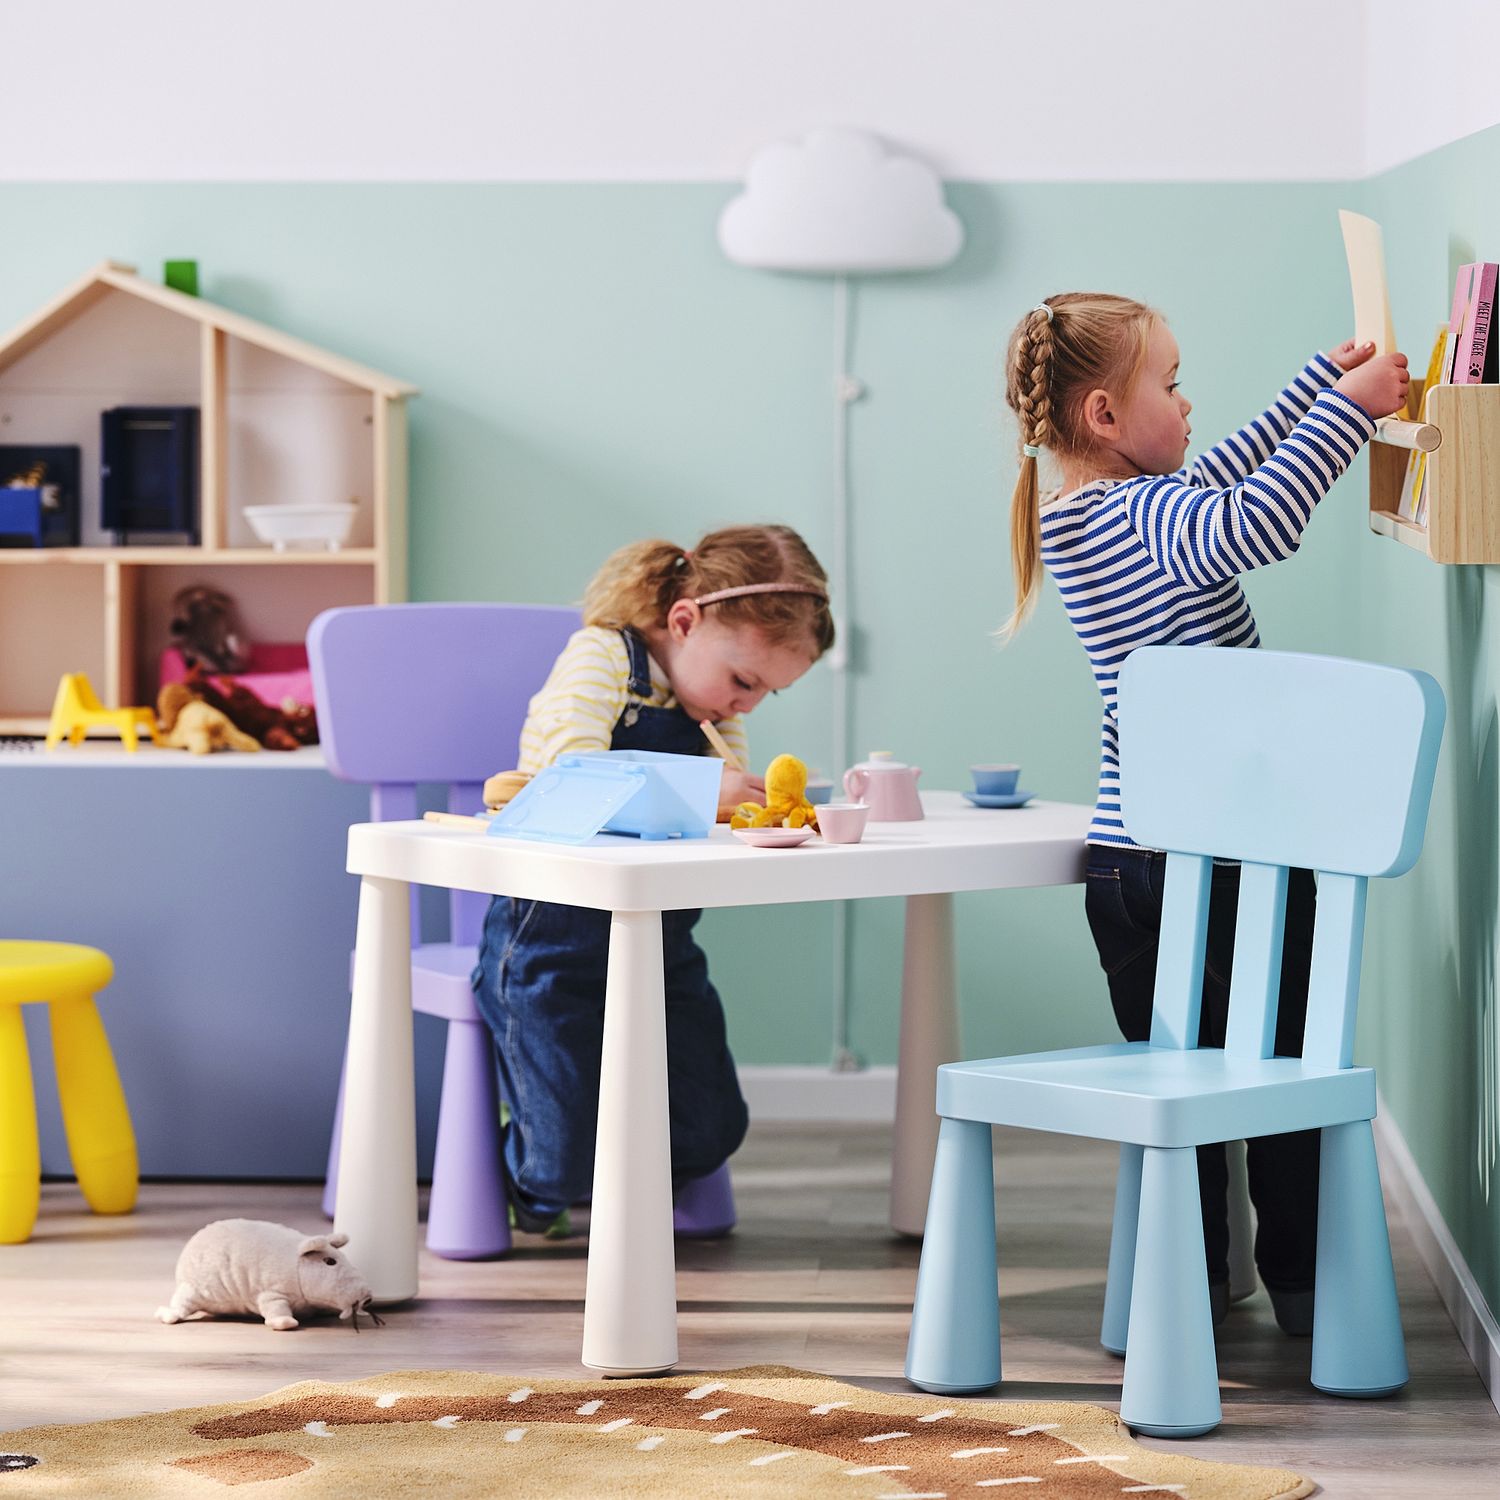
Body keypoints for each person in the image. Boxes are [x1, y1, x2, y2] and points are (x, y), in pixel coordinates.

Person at [1001, 292, 1409, 1332]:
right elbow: (1254, 521)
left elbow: (1223, 475)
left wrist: (1317, 387)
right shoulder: (1147, 515)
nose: (1188, 405)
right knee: (1278, 1078)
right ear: (1104, 415)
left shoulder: (1088, 512)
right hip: (1216, 866)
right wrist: (1351, 412)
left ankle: (1190, 1283)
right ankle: (1307, 1290)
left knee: (1180, 1088)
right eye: (1172, 385)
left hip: (1123, 866)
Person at [472, 524, 835, 1233]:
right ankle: (523, 1181)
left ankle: (630, 1189)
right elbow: (568, 780)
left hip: (662, 948)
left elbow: (717, 822)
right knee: (557, 1164)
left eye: (768, 693)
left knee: (713, 1126)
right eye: (744, 681)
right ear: (684, 620)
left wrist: (770, 814)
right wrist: (704, 793)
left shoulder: (713, 715)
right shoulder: (603, 657)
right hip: (550, 950)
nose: (747, 706)